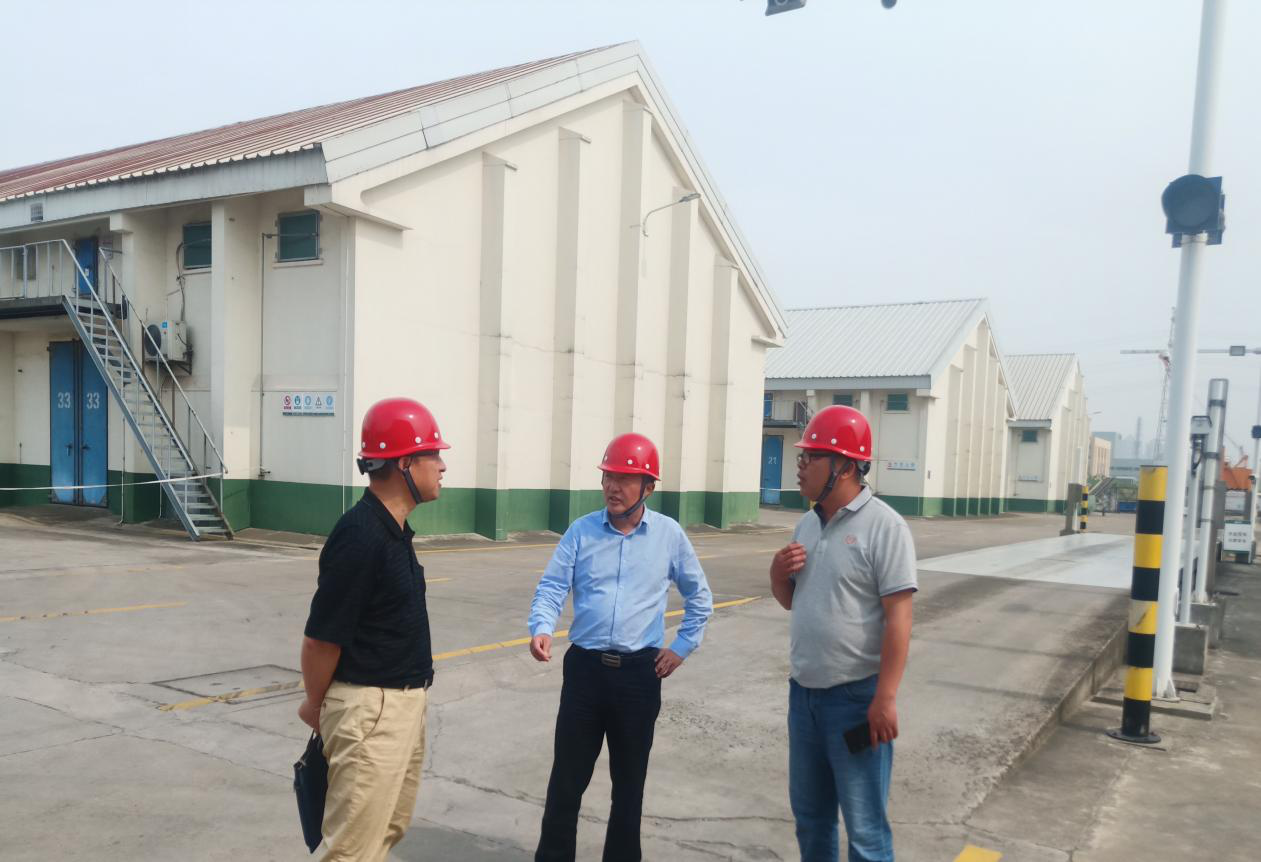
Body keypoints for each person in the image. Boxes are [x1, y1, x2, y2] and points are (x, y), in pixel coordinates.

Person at [528, 432, 714, 862]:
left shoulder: (668, 536)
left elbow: (700, 598)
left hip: (638, 677)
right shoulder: (581, 531)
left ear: (648, 487)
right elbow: (553, 586)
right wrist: (542, 626)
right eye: (608, 477)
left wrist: (681, 647)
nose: (613, 487)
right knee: (566, 782)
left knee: (629, 787)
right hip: (585, 673)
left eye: (625, 479)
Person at [297, 397, 449, 862]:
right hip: (371, 712)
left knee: (386, 832)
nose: (442, 466)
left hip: (401, 706)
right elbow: (320, 640)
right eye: (433, 455)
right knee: (353, 850)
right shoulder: (361, 534)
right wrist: (318, 706)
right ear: (404, 463)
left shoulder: (394, 530)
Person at [768, 405, 917, 862]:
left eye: (811, 457)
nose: (800, 466)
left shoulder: (885, 527)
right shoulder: (807, 523)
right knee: (811, 821)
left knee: (866, 831)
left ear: (846, 467)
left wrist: (885, 698)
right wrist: (776, 573)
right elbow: (793, 600)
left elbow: (899, 618)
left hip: (855, 701)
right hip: (804, 698)